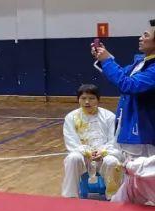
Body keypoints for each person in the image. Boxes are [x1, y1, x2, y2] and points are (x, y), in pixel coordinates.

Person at [93, 24, 155, 160]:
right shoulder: (141, 62)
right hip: (128, 125)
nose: (140, 38)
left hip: (144, 133)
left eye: (145, 35)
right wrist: (106, 57)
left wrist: (107, 61)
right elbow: (121, 75)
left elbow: (128, 85)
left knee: (142, 175)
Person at [61, 84, 121, 198]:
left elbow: (114, 140)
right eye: (83, 98)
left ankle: (114, 197)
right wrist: (87, 152)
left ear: (98, 99)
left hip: (104, 155)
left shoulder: (109, 117)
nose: (87, 102)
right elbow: (71, 141)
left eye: (91, 98)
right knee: (72, 158)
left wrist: (103, 152)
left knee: (112, 162)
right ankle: (70, 196)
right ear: (78, 100)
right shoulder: (71, 117)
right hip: (83, 155)